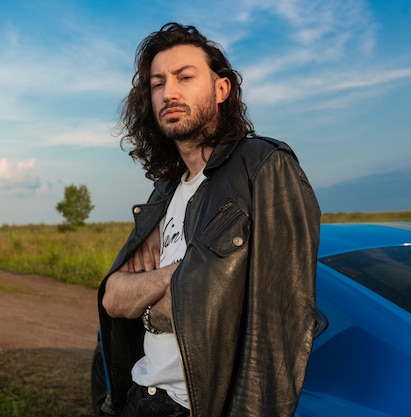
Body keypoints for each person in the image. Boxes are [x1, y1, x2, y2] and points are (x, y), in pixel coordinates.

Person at [96, 22, 321, 417]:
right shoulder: (165, 193)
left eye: (185, 77)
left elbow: (280, 326)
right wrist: (174, 277)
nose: (169, 92)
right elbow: (113, 297)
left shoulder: (264, 167)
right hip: (141, 398)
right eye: (157, 83)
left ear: (221, 90)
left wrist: (153, 295)